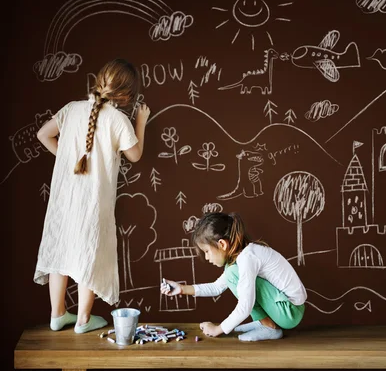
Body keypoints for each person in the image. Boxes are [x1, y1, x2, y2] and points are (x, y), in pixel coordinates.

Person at [34, 58, 150, 334]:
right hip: (93, 201)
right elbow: (135, 155)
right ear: (125, 96)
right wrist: (141, 122)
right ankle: (84, 320)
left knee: (60, 250)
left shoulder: (71, 110)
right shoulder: (119, 119)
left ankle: (57, 314)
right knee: (90, 252)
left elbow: (43, 134)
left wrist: (67, 159)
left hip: (64, 198)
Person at [161, 212, 307, 342]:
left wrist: (218, 329)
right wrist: (181, 289)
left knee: (232, 274)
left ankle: (270, 327)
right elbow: (216, 287)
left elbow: (245, 305)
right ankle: (265, 322)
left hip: (290, 311)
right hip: (286, 308)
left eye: (206, 251)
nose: (206, 258)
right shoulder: (241, 259)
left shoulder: (247, 258)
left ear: (222, 244)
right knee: (231, 272)